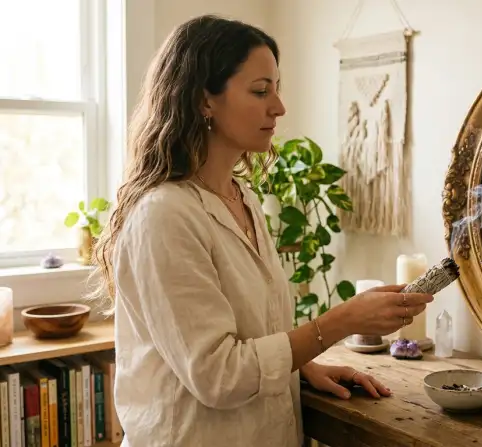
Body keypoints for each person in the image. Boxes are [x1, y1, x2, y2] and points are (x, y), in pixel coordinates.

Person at [85, 15, 433, 447]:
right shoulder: (164, 215)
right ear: (203, 101)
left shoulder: (241, 198)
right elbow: (217, 375)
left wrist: (303, 366)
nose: (279, 107)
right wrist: (342, 321)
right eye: (260, 90)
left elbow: (257, 332)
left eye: (277, 88)